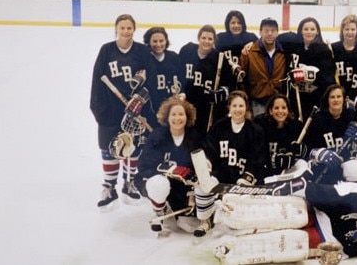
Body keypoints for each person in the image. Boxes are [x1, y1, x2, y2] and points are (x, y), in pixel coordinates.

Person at [90, 14, 157, 208]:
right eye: (122, 28)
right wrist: (99, 110)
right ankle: (109, 187)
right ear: (116, 29)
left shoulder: (141, 51)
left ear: (134, 30)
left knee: (132, 146)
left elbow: (150, 77)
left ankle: (130, 184)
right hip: (110, 110)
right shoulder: (107, 50)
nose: (126, 31)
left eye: (129, 28)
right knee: (109, 148)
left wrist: (140, 98)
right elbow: (97, 80)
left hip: (134, 110)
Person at [193, 90, 269, 237]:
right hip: (221, 173)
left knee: (240, 203)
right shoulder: (219, 126)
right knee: (202, 186)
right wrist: (207, 163)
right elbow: (208, 148)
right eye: (234, 105)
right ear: (229, 107)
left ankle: (241, 225)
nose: (238, 109)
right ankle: (205, 220)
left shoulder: (255, 130)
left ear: (246, 107)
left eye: (241, 105)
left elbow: (258, 158)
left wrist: (247, 177)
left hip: (242, 175)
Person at [137, 97, 202, 233]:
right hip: (162, 182)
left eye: (181, 114)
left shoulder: (194, 137)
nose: (177, 118)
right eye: (174, 114)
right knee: (159, 184)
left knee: (188, 226)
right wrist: (166, 170)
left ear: (187, 116)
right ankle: (159, 210)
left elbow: (199, 165)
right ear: (167, 117)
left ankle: (176, 208)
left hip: (182, 187)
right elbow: (144, 165)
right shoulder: (158, 136)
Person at [278, 17, 336, 122]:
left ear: (317, 31)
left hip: (313, 100)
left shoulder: (323, 50)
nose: (309, 32)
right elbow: (274, 39)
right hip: (293, 98)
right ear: (300, 30)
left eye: (312, 29)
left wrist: (312, 76)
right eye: (306, 29)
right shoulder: (292, 46)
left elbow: (328, 78)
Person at [176, 24, 231, 136]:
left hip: (207, 106)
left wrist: (222, 92)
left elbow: (228, 83)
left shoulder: (219, 58)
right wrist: (180, 91)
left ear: (214, 41)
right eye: (204, 38)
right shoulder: (187, 51)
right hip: (188, 103)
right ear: (198, 38)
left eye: (210, 39)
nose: (206, 41)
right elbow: (178, 74)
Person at [239, 17, 287, 117]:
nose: (269, 33)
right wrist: (246, 105)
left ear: (277, 33)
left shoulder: (284, 52)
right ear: (260, 32)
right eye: (266, 30)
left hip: (277, 102)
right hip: (257, 102)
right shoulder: (249, 52)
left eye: (273, 30)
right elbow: (241, 80)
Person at [253, 94, 306, 177]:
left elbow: (298, 153)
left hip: (288, 173)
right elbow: (258, 154)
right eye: (276, 108)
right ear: (270, 111)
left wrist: (299, 151)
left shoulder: (296, 126)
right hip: (266, 173)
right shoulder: (261, 125)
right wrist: (273, 161)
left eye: (284, 108)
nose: (280, 111)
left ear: (288, 110)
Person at [143, 27, 181, 116]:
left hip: (171, 108)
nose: (158, 44)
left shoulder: (173, 57)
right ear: (149, 42)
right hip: (151, 109)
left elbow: (181, 79)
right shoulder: (145, 59)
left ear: (166, 41)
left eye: (161, 41)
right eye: (155, 41)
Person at [216, 10, 259, 88]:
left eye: (239, 23)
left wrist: (254, 44)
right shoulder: (220, 38)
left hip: (246, 82)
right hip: (225, 81)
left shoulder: (251, 38)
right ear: (228, 24)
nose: (236, 25)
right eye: (233, 23)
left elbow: (263, 47)